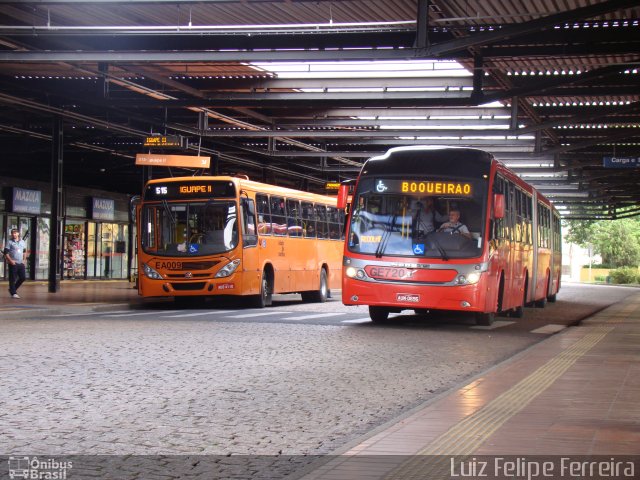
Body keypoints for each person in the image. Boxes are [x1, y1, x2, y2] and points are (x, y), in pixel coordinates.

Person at [4, 228, 27, 299]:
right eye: (12, 233)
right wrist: (11, 261)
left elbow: (24, 251)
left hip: (21, 263)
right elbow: (6, 253)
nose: (14, 234)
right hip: (13, 263)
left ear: (18, 234)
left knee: (23, 278)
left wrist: (24, 260)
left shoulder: (22, 242)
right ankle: (14, 293)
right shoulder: (9, 242)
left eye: (15, 233)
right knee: (12, 278)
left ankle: (12, 289)